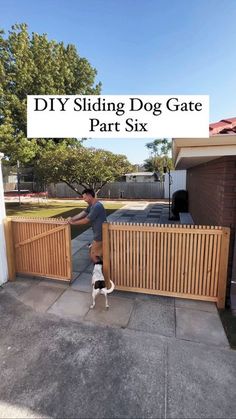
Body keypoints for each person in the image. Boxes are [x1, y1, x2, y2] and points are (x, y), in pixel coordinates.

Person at [68, 188, 107, 263]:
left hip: (100, 234)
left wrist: (73, 223)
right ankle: (101, 267)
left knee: (93, 256)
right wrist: (71, 219)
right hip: (98, 233)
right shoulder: (91, 205)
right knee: (96, 253)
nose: (84, 200)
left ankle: (99, 272)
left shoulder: (97, 206)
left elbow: (86, 220)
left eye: (85, 198)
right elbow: (82, 213)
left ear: (89, 196)